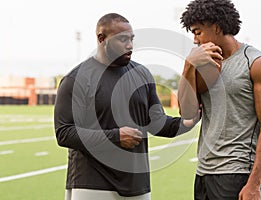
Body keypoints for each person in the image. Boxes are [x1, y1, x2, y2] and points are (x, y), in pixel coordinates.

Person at [54, 13, 198, 200]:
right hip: (91, 184)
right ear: (101, 39)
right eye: (122, 39)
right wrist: (115, 137)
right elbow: (64, 133)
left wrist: (186, 122)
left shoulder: (142, 74)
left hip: (137, 185)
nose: (130, 45)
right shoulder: (76, 79)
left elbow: (156, 122)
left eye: (131, 39)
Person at [178, 0, 261, 199]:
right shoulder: (203, 64)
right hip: (204, 172)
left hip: (238, 174)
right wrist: (188, 66)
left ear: (217, 27)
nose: (194, 40)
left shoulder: (257, 63)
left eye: (197, 32)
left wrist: (254, 183)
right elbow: (187, 113)